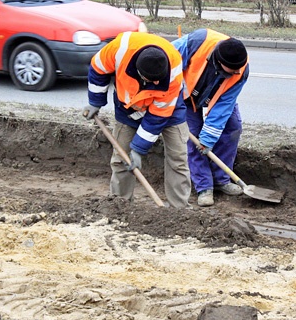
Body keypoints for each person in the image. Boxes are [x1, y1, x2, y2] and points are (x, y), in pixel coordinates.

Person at [81, 32, 191, 208]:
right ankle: (119, 204)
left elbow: (157, 117)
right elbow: (98, 69)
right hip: (128, 108)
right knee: (121, 158)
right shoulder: (118, 50)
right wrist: (95, 102)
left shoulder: (173, 70)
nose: (155, 84)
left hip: (168, 109)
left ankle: (179, 209)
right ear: (139, 72)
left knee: (178, 158)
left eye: (158, 80)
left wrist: (139, 149)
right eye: (151, 80)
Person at [172, 28, 249, 207]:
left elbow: (224, 105)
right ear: (218, 61)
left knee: (232, 127)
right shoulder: (197, 42)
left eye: (237, 70)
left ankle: (221, 179)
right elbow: (166, 61)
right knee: (193, 135)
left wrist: (208, 139)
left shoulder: (241, 70)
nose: (235, 73)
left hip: (217, 97)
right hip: (185, 94)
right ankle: (204, 186)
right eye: (231, 70)